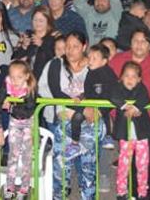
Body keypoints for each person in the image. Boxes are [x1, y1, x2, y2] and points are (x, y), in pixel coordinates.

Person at [38, 31, 105, 200]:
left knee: (88, 167)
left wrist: (98, 110)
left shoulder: (94, 65)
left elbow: (105, 90)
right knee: (60, 166)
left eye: (75, 46)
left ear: (84, 46)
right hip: (64, 121)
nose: (70, 50)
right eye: (67, 46)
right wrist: (82, 109)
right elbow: (55, 92)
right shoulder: (56, 64)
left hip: (90, 124)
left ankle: (88, 197)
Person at [0, 60, 38, 199]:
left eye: (19, 77)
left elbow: (28, 110)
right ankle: (10, 188)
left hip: (29, 124)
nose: (15, 80)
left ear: (27, 76)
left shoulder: (31, 88)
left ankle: (24, 189)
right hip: (14, 124)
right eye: (12, 77)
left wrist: (10, 107)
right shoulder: (7, 85)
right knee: (12, 156)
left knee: (27, 158)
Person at [109, 60, 150, 200]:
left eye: (133, 76)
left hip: (141, 134)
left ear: (139, 79)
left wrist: (135, 108)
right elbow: (113, 97)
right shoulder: (117, 88)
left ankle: (142, 193)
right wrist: (125, 106)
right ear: (121, 77)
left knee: (142, 165)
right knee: (124, 164)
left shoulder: (141, 88)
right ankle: (121, 192)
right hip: (125, 134)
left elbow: (145, 99)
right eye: (126, 75)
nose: (129, 79)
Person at [65, 44, 117, 159]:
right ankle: (74, 143)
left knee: (106, 114)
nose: (90, 61)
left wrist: (101, 110)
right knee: (77, 116)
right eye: (89, 57)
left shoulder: (108, 74)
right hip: (90, 104)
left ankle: (108, 135)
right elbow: (88, 91)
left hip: (103, 105)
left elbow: (112, 94)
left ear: (104, 61)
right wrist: (81, 97)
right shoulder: (90, 73)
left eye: (95, 58)